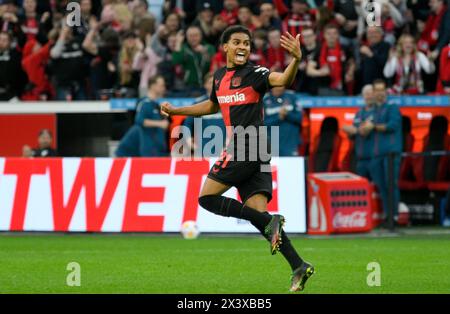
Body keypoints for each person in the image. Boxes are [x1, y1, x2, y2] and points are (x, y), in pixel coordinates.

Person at [160, 25, 314, 292]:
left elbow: (283, 80)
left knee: (206, 198)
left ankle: (271, 222)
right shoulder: (219, 77)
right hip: (256, 150)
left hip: (248, 143)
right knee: (258, 214)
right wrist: (177, 110)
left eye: (247, 43)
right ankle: (298, 265)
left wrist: (297, 60)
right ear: (226, 47)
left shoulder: (256, 74)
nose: (243, 47)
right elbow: (211, 105)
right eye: (238, 42)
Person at [362, 79, 402, 223]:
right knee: (381, 186)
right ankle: (387, 214)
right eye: (376, 90)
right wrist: (364, 128)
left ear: (386, 91)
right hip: (377, 153)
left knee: (391, 183)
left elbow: (392, 125)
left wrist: (373, 126)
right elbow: (365, 128)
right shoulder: (373, 110)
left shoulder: (392, 107)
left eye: (381, 90)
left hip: (391, 153)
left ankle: (395, 215)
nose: (379, 93)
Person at [116, 75, 169, 157]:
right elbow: (139, 120)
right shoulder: (144, 104)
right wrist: (160, 124)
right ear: (153, 86)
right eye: (161, 85)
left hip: (158, 151)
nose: (164, 88)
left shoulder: (156, 105)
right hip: (149, 151)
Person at [342, 84, 375, 179]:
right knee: (361, 185)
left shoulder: (378, 111)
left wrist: (355, 130)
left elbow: (364, 131)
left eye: (370, 93)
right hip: (360, 157)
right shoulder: (359, 112)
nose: (368, 96)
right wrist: (349, 131)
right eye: (366, 94)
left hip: (374, 157)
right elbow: (353, 134)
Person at [263, 86, 303, 156]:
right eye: (275, 86)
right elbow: (262, 124)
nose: (278, 88)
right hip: (272, 142)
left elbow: (299, 118)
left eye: (281, 86)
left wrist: (287, 114)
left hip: (290, 142)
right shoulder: (264, 100)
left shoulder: (292, 96)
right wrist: (278, 117)